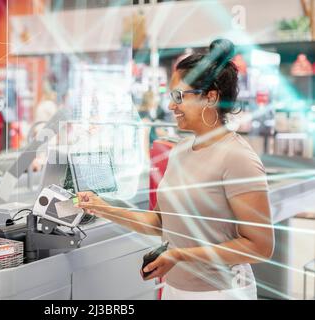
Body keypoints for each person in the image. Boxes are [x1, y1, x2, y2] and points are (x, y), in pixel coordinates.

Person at [76, 39, 274, 300]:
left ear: (210, 98)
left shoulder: (238, 158)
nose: (171, 106)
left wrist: (181, 255)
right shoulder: (180, 150)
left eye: (178, 96)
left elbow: (259, 246)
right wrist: (102, 207)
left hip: (223, 292)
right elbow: (159, 222)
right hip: (176, 289)